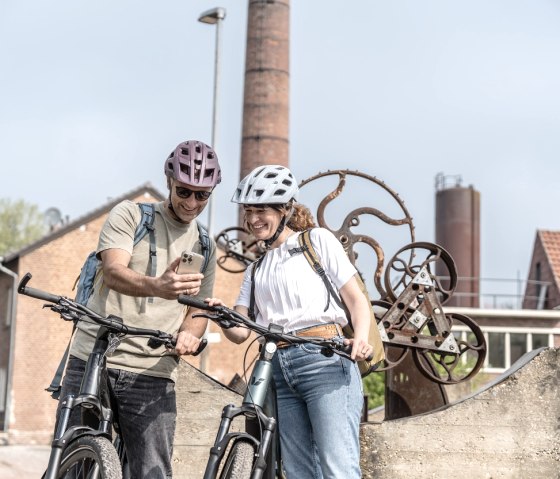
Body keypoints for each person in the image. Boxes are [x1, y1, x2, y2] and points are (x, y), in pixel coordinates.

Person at [59, 140, 221, 478]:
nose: (192, 202)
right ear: (169, 181)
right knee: (74, 459)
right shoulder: (130, 215)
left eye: (201, 195)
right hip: (94, 355)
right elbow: (114, 271)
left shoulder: (205, 245)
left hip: (153, 368)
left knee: (153, 471)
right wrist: (157, 286)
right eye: (184, 191)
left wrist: (190, 335)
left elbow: (198, 311)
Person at [210, 165, 373, 478]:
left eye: (261, 211)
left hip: (324, 361)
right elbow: (241, 330)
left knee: (337, 468)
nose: (253, 220)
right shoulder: (255, 269)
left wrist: (361, 337)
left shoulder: (317, 242)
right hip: (278, 370)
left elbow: (356, 300)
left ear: (285, 209)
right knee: (298, 472)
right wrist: (222, 316)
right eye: (248, 212)